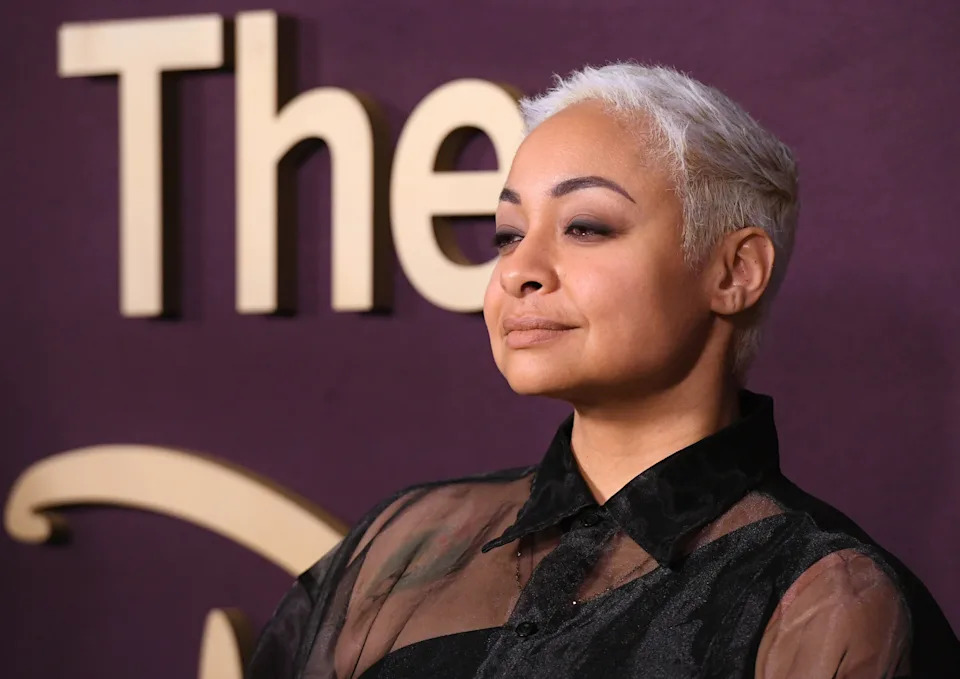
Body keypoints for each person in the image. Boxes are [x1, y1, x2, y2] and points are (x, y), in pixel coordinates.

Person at [247, 64, 959, 678]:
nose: (521, 270)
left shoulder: (824, 597)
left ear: (736, 270)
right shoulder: (397, 547)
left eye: (586, 226)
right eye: (506, 234)